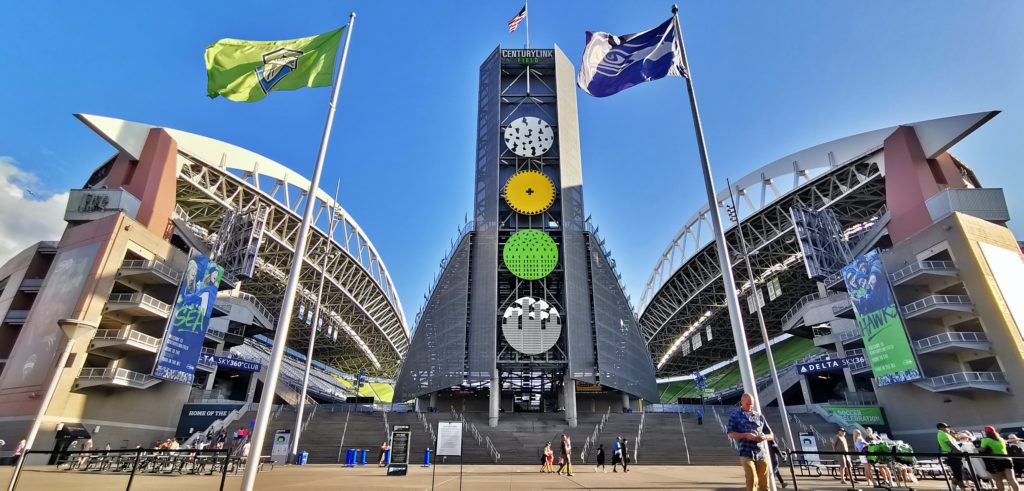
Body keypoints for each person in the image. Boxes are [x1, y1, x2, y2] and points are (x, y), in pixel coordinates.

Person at [727, 393, 774, 491]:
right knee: (752, 479)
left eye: (752, 404)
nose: (750, 406)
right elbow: (730, 434)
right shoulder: (735, 416)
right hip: (746, 452)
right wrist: (746, 435)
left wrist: (764, 437)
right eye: (748, 404)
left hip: (761, 453)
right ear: (742, 402)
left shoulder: (759, 416)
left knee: (764, 483)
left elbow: (771, 435)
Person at [980, 426, 1020, 491]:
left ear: (985, 432)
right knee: (1012, 479)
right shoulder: (1001, 439)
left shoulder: (985, 440)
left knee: (998, 480)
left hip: (996, 461)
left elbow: (982, 449)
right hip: (1007, 459)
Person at [938, 423, 971, 490]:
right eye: (946, 427)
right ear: (941, 428)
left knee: (957, 474)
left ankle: (953, 488)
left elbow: (956, 442)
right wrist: (960, 452)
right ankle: (962, 489)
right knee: (958, 474)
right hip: (953, 455)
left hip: (954, 455)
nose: (948, 428)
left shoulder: (946, 434)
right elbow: (951, 445)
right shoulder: (942, 434)